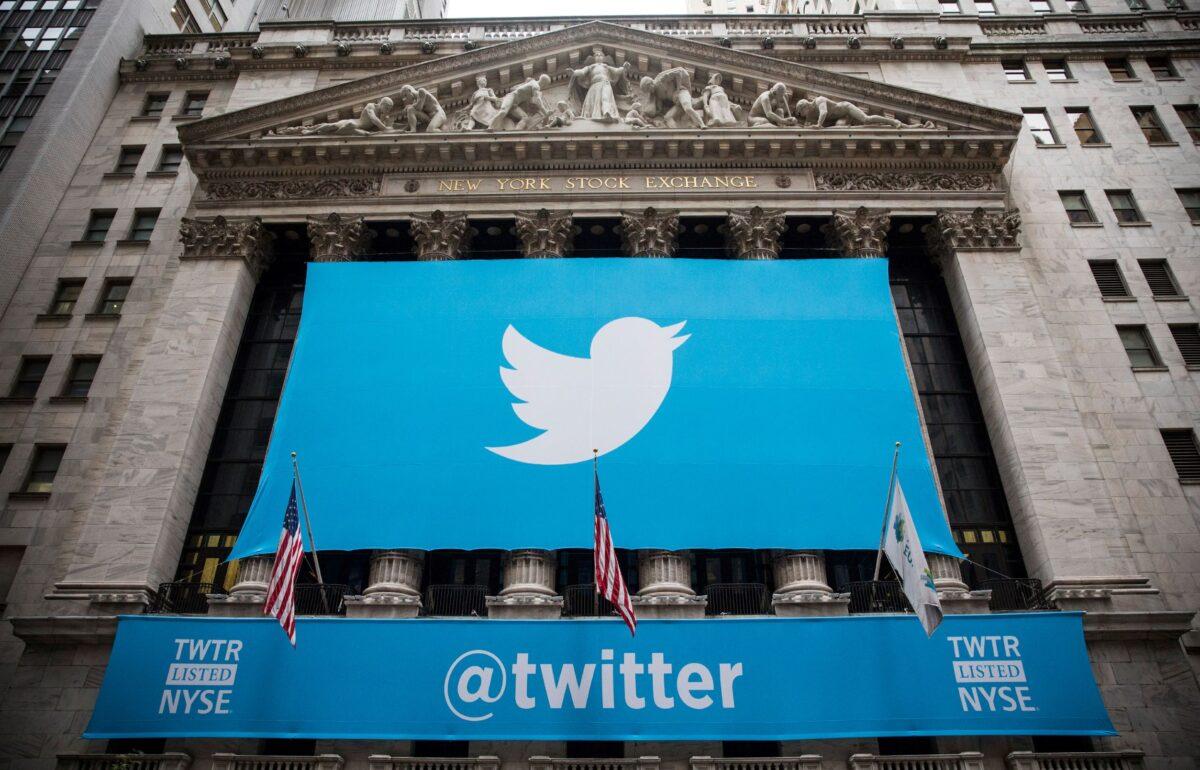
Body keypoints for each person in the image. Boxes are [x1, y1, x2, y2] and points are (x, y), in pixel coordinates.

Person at [567, 47, 634, 122]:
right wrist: (574, 72)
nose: (598, 56)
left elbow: (616, 71)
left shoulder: (606, 66)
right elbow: (582, 72)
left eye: (600, 55)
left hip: (605, 84)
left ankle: (607, 113)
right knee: (592, 102)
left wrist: (624, 68)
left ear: (603, 58)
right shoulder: (591, 67)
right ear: (594, 58)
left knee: (605, 98)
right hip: (594, 86)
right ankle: (592, 116)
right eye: (596, 55)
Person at [270, 96, 396, 136]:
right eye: (387, 107)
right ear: (382, 103)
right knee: (334, 125)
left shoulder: (382, 114)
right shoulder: (371, 106)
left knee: (353, 129)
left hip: (357, 128)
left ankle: (315, 131)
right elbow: (373, 120)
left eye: (389, 109)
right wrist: (384, 129)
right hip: (354, 123)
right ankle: (310, 131)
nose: (388, 110)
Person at [638, 67, 705, 130]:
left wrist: (678, 90)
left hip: (682, 93)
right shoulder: (657, 95)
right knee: (667, 117)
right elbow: (658, 109)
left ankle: (702, 124)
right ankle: (678, 134)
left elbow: (678, 73)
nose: (649, 92)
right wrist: (647, 117)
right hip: (677, 104)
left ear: (650, 84)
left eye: (648, 89)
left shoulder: (661, 79)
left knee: (688, 108)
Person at [794, 95, 909, 128]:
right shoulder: (810, 115)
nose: (801, 115)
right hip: (840, 118)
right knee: (839, 128)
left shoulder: (819, 100)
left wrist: (819, 125)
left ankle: (894, 122)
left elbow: (823, 112)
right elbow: (806, 127)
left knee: (866, 119)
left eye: (800, 113)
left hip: (846, 109)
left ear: (804, 107)